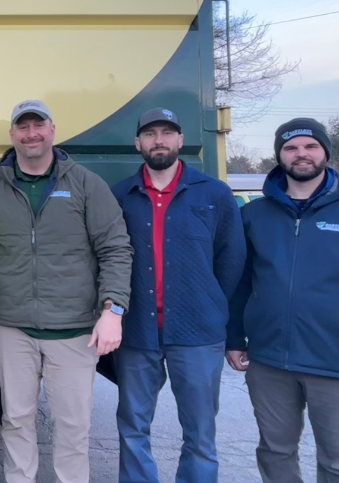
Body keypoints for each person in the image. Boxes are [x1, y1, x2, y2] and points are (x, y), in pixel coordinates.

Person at [0, 100, 133, 483]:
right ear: (12, 136)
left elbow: (116, 248)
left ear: (53, 130)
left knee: (74, 427)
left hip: (74, 330)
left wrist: (113, 309)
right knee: (16, 420)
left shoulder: (87, 184)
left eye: (38, 125)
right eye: (22, 127)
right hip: (11, 328)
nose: (31, 134)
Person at [110, 108, 246, 483]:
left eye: (167, 133)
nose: (159, 141)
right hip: (137, 333)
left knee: (200, 434)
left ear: (180, 141)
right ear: (138, 143)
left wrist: (208, 305)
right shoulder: (121, 195)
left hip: (197, 334)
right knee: (133, 428)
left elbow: (231, 260)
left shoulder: (214, 194)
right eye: (150, 134)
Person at [227, 118, 338, 483]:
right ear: (279, 156)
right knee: (276, 453)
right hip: (270, 360)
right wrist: (234, 338)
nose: (301, 154)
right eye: (291, 148)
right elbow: (240, 282)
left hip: (332, 361)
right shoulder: (253, 215)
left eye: (310, 146)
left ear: (325, 152)